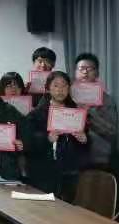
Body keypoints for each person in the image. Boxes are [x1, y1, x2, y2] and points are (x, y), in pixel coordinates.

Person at [25, 71, 90, 201]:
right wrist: (46, 139)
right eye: (56, 85)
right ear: (48, 88)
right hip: (44, 172)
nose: (60, 90)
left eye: (64, 85)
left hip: (70, 172)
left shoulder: (76, 113)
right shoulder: (36, 114)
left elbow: (86, 145)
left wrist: (84, 139)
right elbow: (27, 141)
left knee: (68, 207)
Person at [74, 53, 118, 167]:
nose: (85, 72)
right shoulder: (67, 95)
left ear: (97, 73)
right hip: (71, 158)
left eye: (90, 69)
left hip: (97, 157)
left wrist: (89, 113)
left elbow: (111, 132)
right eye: (81, 69)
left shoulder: (106, 99)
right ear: (75, 72)